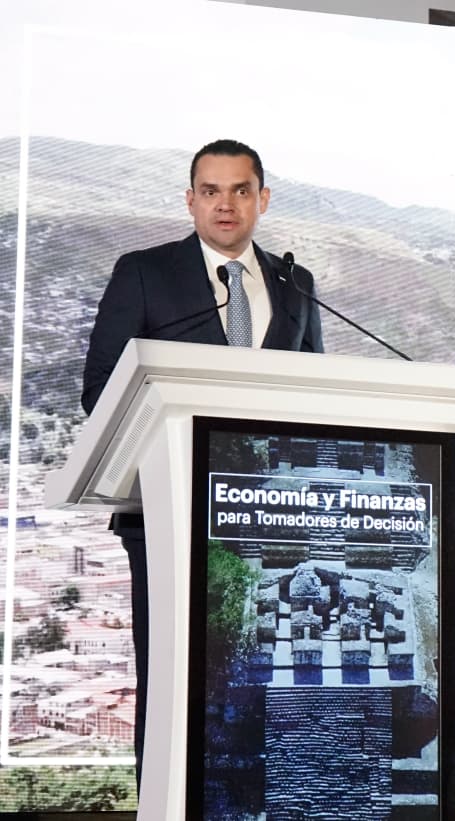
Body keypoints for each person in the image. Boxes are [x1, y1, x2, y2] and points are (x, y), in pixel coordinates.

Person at [80, 139, 324, 787]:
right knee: (172, 681)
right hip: (167, 514)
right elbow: (100, 390)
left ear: (262, 199)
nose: (225, 204)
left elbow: (319, 397)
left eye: (240, 190)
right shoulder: (144, 273)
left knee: (268, 681)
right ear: (190, 200)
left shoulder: (296, 284)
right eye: (211, 191)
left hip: (271, 524)